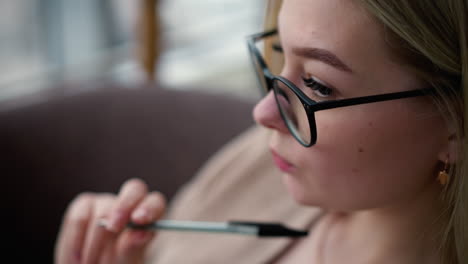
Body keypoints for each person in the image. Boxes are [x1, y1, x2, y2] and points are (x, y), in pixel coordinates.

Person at [54, 0, 468, 263]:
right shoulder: (262, 164)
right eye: (279, 55)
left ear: (455, 124)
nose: (263, 111)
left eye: (318, 85)